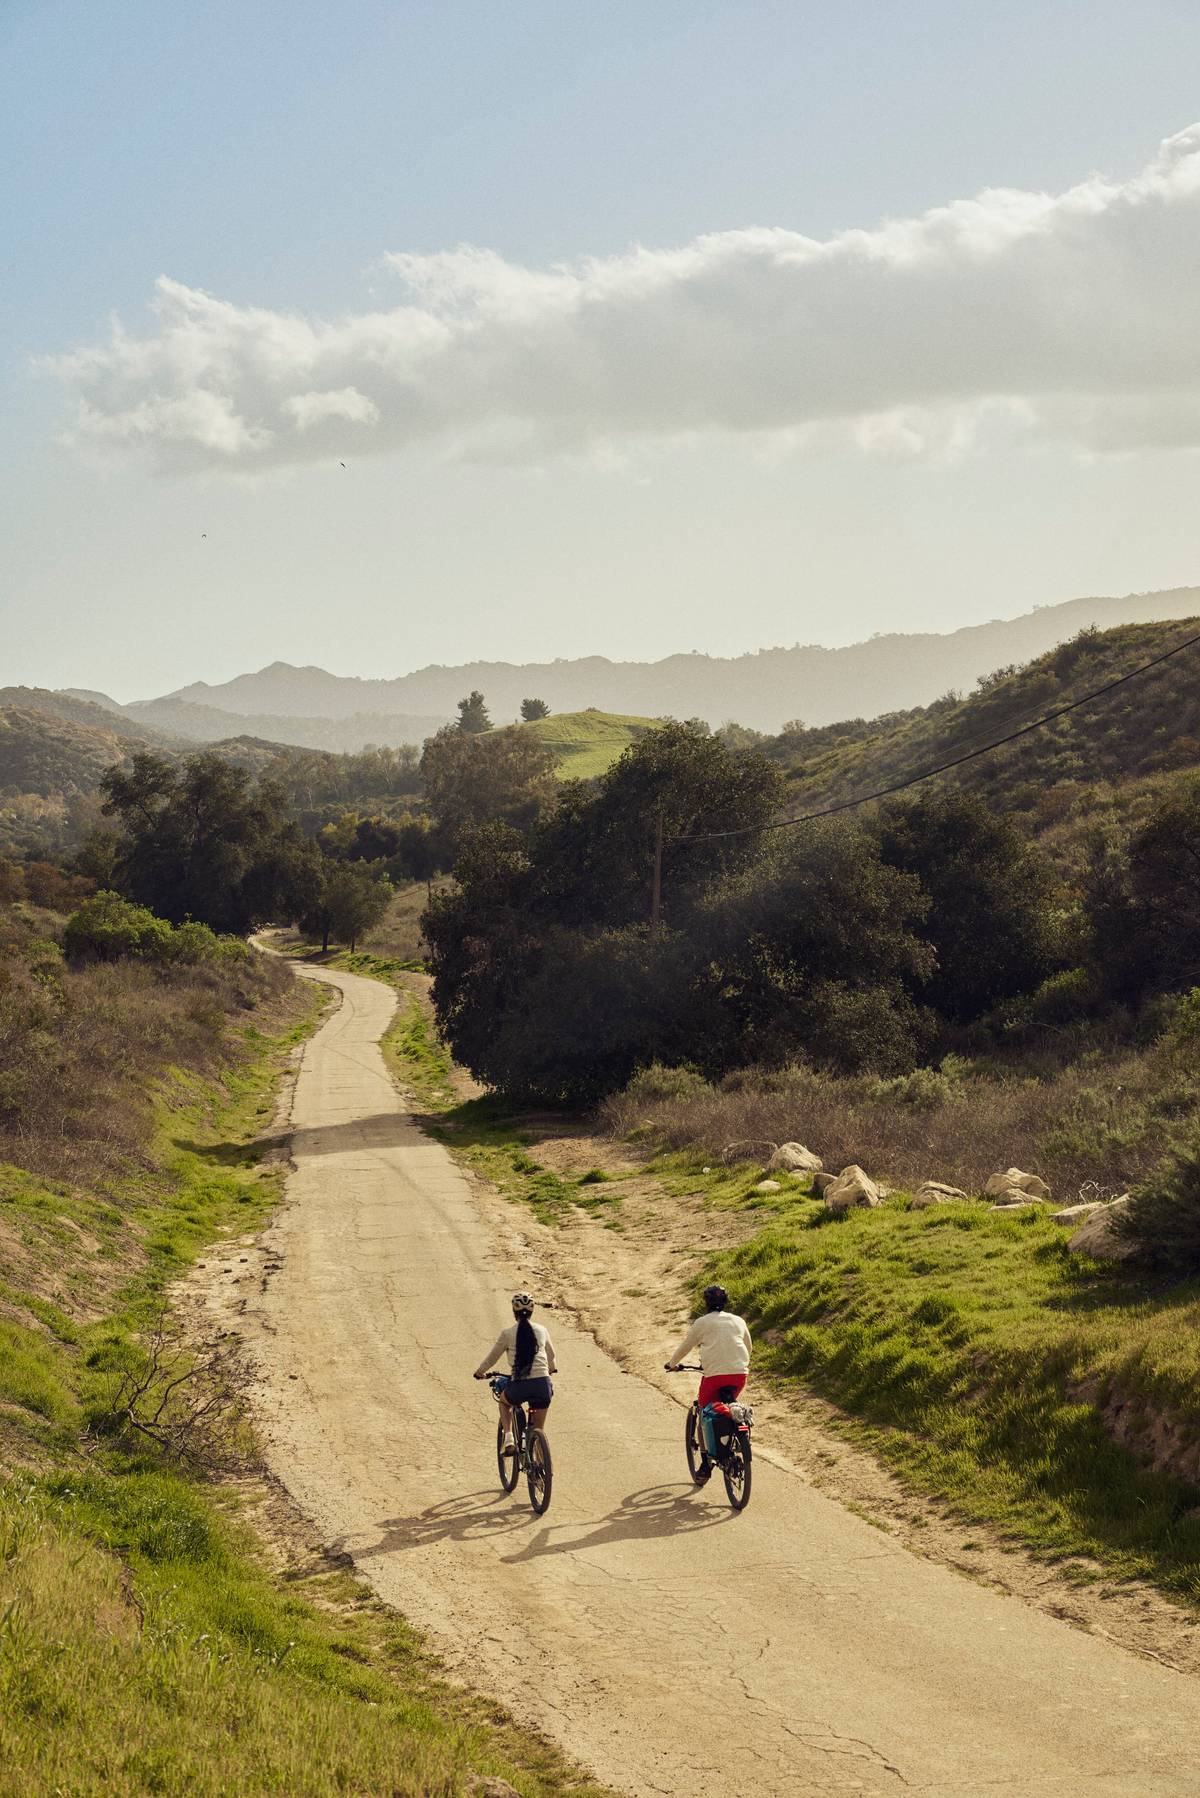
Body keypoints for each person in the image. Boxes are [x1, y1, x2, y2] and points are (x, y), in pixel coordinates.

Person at [665, 1284, 751, 1469]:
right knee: (728, 1404)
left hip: (714, 1377)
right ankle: (735, 1435)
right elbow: (748, 1347)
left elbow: (686, 1346)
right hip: (739, 1374)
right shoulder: (738, 1321)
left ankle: (705, 1464)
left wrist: (671, 1364)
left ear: (706, 1303)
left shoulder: (702, 1323)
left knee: (704, 1412)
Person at [474, 1291, 557, 1455]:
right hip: (542, 1386)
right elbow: (551, 1356)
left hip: (520, 1386)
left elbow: (492, 1358)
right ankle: (541, 1473)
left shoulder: (507, 1333)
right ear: (532, 1311)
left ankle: (509, 1437)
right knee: (539, 1429)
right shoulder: (542, 1330)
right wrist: (552, 1368)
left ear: (514, 1312)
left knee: (505, 1402)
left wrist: (480, 1372)